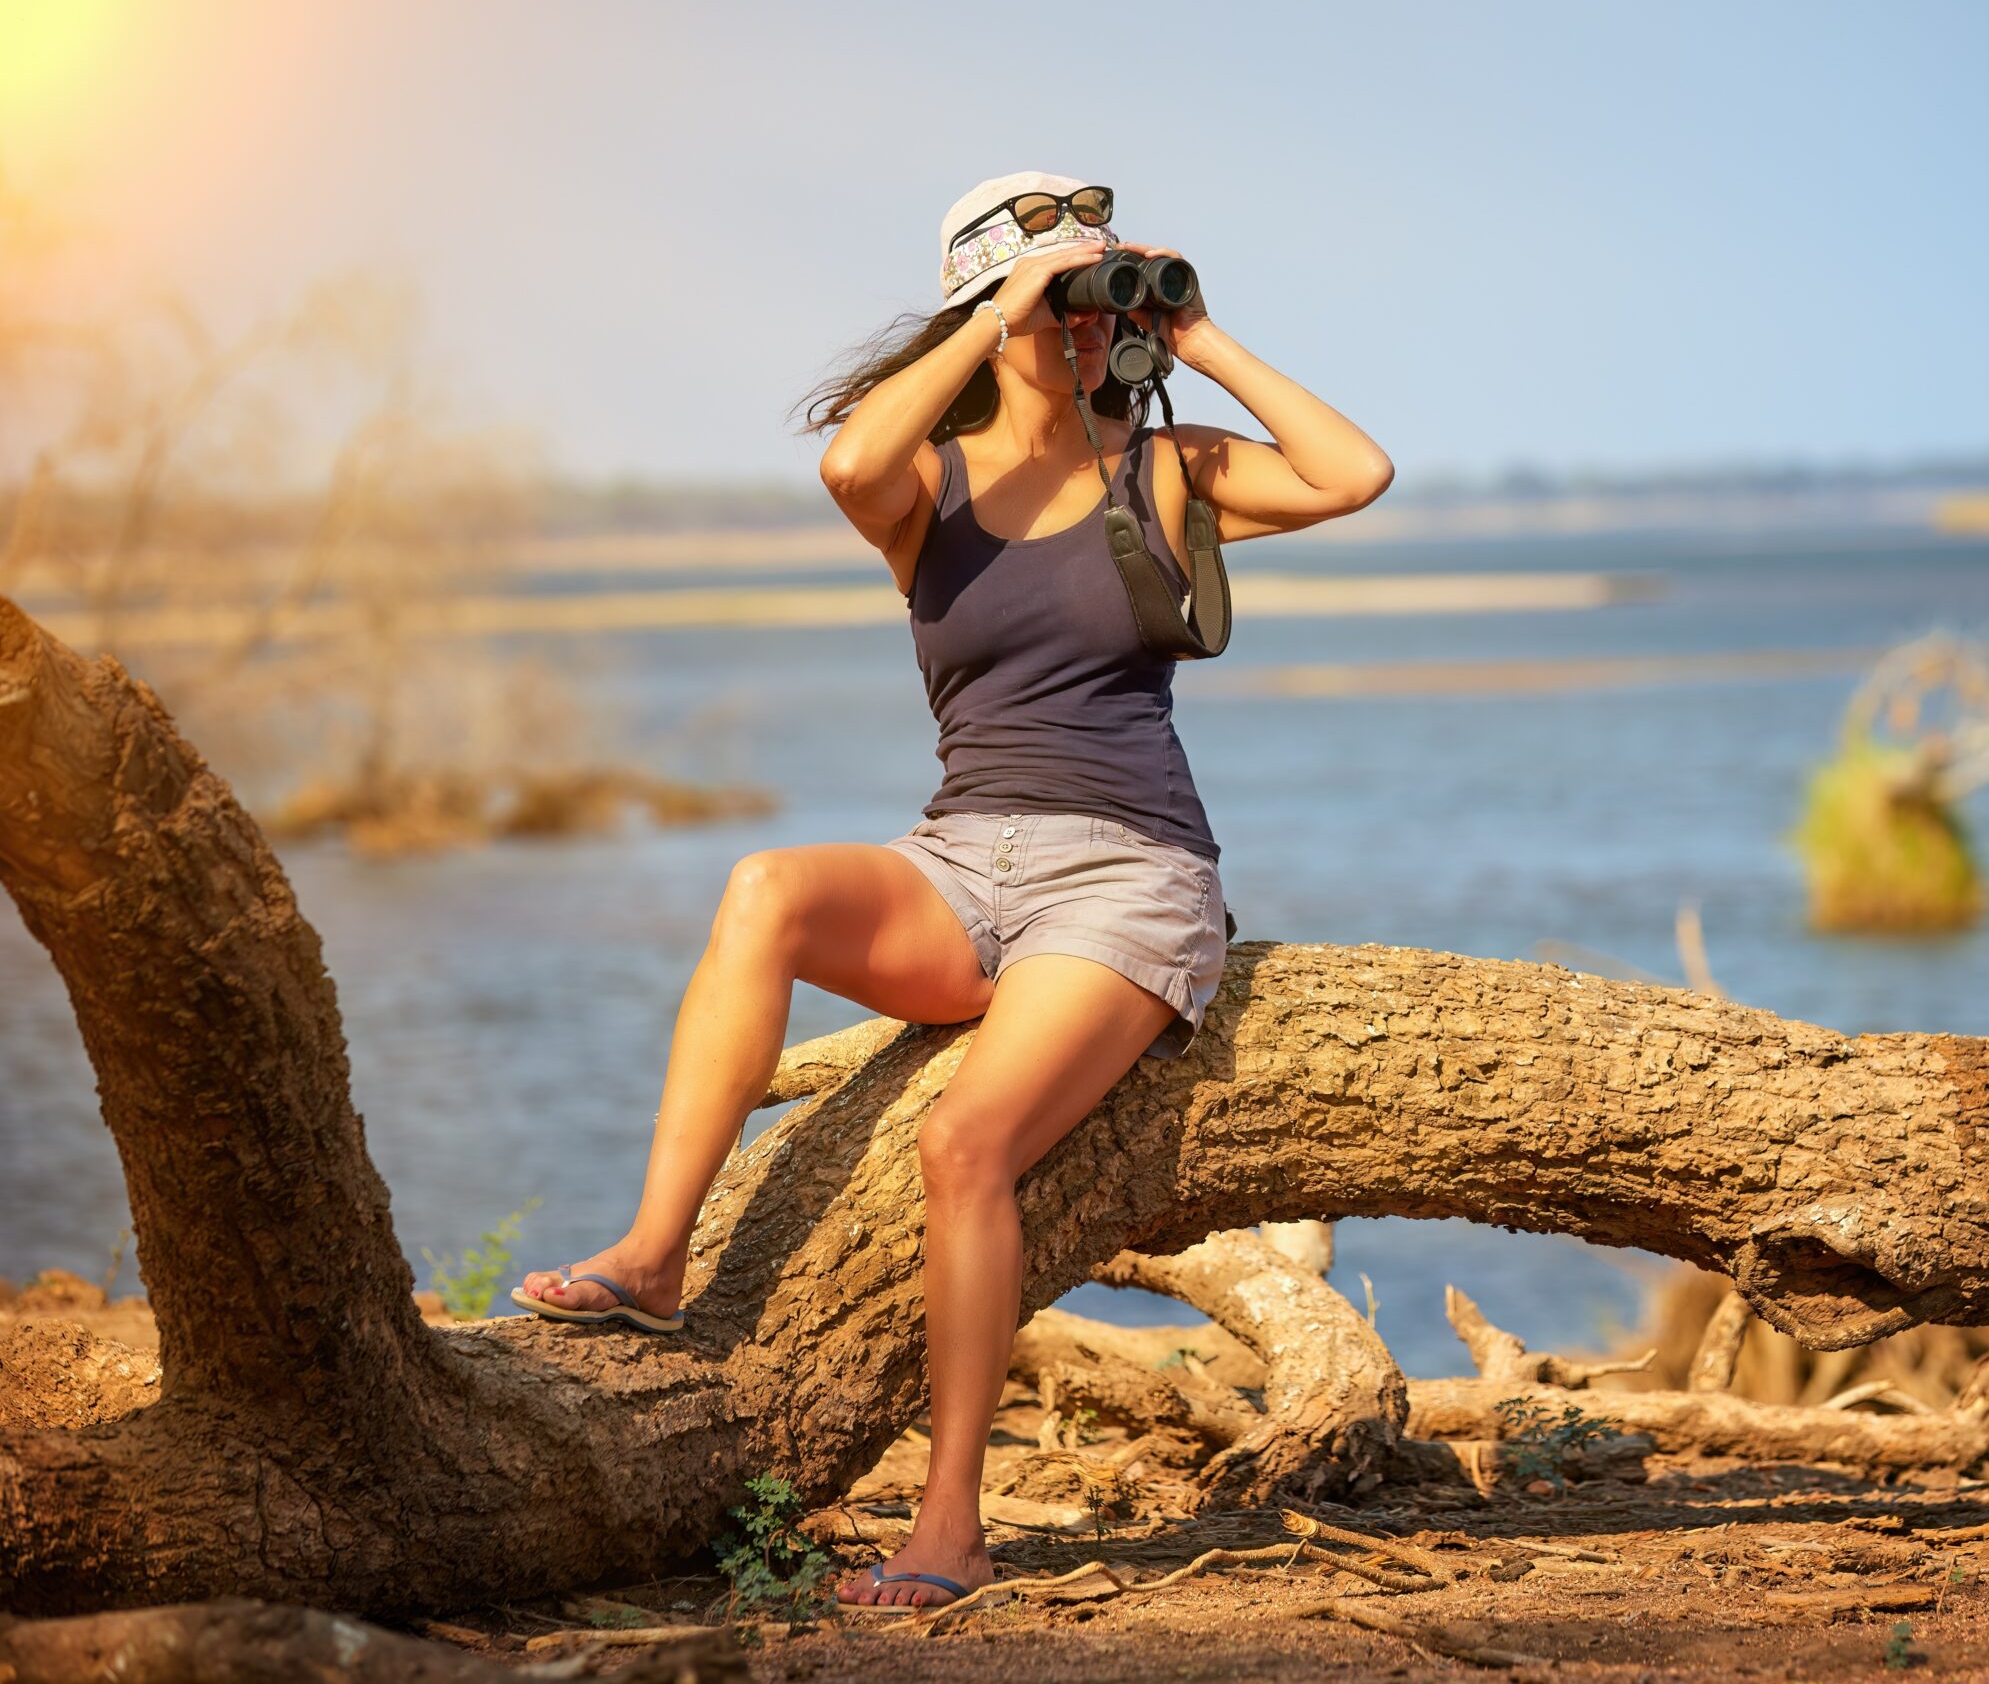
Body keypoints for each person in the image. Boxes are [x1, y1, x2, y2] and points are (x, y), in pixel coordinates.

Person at [511, 171, 1393, 1610]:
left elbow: (1354, 474)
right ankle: (657, 1253)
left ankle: (951, 1524)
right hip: (958, 862)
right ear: (989, 310)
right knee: (764, 889)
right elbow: (848, 464)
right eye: (1066, 304)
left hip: (1130, 877)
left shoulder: (1168, 468)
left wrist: (1201, 334)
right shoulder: (930, 488)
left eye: (1104, 298)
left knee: (966, 1146)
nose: (1090, 326)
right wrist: (997, 318)